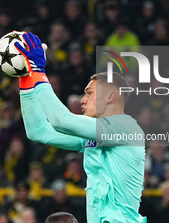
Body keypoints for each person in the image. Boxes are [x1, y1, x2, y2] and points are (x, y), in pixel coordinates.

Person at [15, 32, 146, 222]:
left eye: (89, 93)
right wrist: (27, 81)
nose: (83, 100)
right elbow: (39, 131)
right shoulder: (93, 135)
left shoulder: (124, 128)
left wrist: (38, 72)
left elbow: (61, 120)